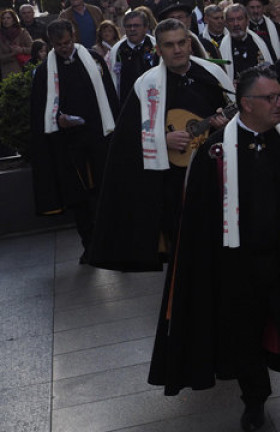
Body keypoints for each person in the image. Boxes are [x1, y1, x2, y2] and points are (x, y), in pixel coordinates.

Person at [146, 65, 280, 432]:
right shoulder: (215, 153)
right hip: (238, 265)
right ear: (246, 104)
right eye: (271, 98)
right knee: (244, 340)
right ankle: (254, 402)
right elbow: (197, 222)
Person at [90, 17, 232, 271]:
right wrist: (161, 139)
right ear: (159, 49)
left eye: (181, 43)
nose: (176, 50)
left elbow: (235, 120)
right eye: (169, 45)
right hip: (172, 180)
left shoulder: (212, 75)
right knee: (182, 245)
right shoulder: (147, 85)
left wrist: (224, 125)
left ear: (189, 43)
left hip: (212, 171)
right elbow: (124, 140)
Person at [30, 19, 117, 263]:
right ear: (51, 44)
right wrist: (58, 119)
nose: (65, 48)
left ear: (74, 36)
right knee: (78, 196)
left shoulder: (94, 60)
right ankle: (89, 243)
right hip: (67, 143)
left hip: (98, 136)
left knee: (103, 189)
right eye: (59, 45)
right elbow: (40, 110)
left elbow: (109, 96)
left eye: (68, 42)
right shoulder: (45, 71)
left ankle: (108, 240)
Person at [108, 10, 155, 103]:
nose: (132, 29)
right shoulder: (117, 50)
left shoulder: (155, 46)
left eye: (136, 25)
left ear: (146, 27)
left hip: (153, 99)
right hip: (127, 102)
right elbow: (114, 80)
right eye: (129, 26)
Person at [221, 3, 273, 80]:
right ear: (226, 23)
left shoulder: (263, 41)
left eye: (240, 19)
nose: (236, 24)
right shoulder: (220, 48)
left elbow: (272, 68)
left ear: (247, 21)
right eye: (231, 20)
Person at [0, 8, 32, 77]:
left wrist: (21, 50)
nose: (6, 20)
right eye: (3, 18)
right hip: (7, 71)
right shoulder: (1, 36)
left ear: (14, 20)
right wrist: (13, 54)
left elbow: (32, 48)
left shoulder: (22, 32)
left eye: (8, 18)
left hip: (24, 68)